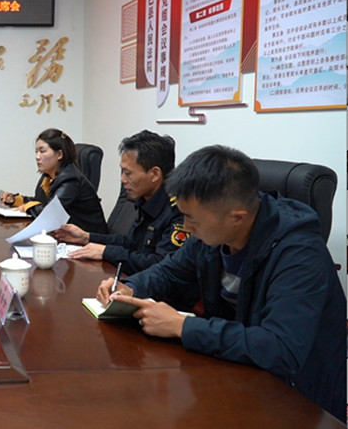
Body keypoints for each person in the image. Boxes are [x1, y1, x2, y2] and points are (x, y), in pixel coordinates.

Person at [97, 145, 346, 421]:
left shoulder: (299, 255)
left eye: (191, 219)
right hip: (236, 373)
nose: (186, 228)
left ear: (237, 218)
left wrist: (183, 326)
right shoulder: (212, 234)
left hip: (297, 400)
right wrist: (131, 286)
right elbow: (170, 270)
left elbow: (281, 349)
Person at [53, 130, 188, 274]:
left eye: (128, 173)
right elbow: (132, 242)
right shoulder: (146, 199)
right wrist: (87, 237)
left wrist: (107, 252)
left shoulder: (179, 211)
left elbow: (161, 265)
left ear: (154, 174)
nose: (122, 179)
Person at [0, 128, 108, 234]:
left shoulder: (70, 179)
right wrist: (16, 200)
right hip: (64, 235)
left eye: (42, 151)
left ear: (59, 154)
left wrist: (27, 207)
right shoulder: (49, 177)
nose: (37, 157)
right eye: (36, 152)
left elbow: (50, 213)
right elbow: (41, 202)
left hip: (88, 239)